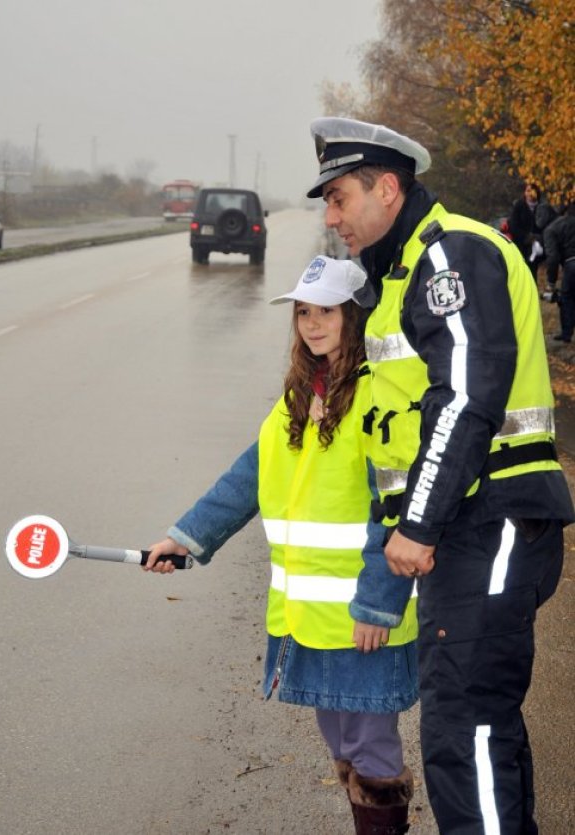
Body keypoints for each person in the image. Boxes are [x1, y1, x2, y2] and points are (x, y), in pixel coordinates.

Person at [305, 117, 574, 835]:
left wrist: (416, 523)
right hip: (471, 526)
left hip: (489, 518)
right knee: (482, 723)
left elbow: (466, 394)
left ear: (387, 188)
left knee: (464, 732)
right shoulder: (400, 272)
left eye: (338, 198)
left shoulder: (448, 252)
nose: (331, 218)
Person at [144, 255, 419, 835]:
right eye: (301, 313)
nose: (312, 324)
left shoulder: (377, 397)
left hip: (365, 616)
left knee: (371, 747)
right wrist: (186, 537)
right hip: (308, 617)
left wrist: (378, 603)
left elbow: (391, 508)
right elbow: (248, 478)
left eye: (325, 311)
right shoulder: (297, 399)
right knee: (342, 743)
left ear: (354, 315)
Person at [507, 182, 553, 283]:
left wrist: (538, 239)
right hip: (521, 244)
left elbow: (547, 225)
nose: (530, 193)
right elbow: (514, 226)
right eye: (527, 191)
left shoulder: (542, 208)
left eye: (532, 191)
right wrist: (528, 238)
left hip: (538, 245)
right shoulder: (519, 206)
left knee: (533, 269)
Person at [543, 201, 575, 344]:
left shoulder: (550, 230)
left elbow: (553, 257)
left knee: (566, 298)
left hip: (571, 263)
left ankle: (567, 333)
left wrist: (551, 281)